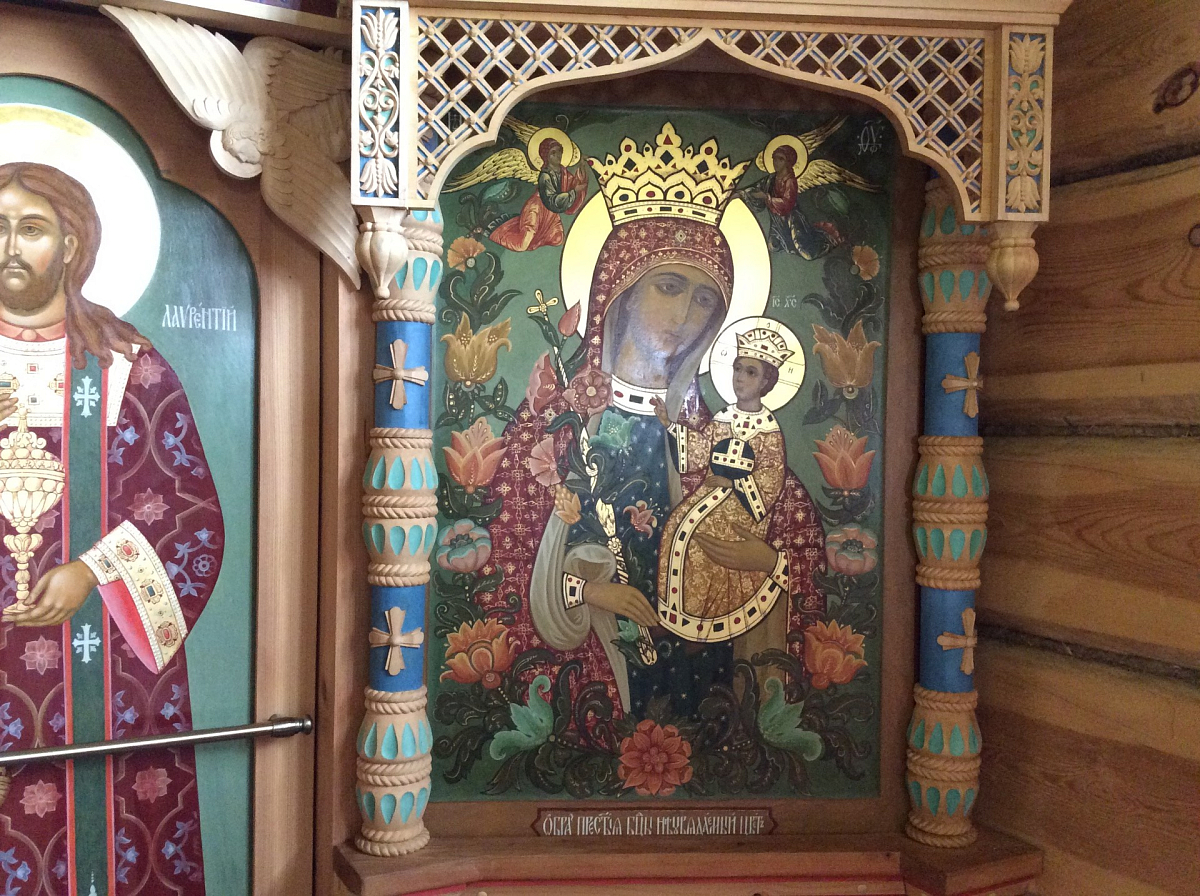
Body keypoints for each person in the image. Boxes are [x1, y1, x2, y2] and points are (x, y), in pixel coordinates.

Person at [483, 212, 824, 719]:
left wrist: (767, 563)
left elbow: (797, 547)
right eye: (669, 287)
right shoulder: (554, 426)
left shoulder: (721, 439)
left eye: (704, 300)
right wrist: (591, 591)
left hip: (704, 671)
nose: (685, 314)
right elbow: (509, 560)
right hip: (601, 672)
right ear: (620, 293)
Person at [0, 162, 222, 894]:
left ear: (71, 244)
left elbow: (189, 513)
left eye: (31, 229)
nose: (10, 246)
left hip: (102, 667)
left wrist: (91, 571)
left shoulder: (127, 364)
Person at [652, 328, 792, 638]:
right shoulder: (723, 418)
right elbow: (700, 449)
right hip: (709, 494)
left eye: (751, 372)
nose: (740, 378)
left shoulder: (769, 431)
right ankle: (674, 615)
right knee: (675, 523)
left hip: (743, 509)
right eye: (737, 369)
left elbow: (771, 481)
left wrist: (735, 485)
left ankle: (703, 622)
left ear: (766, 382)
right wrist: (670, 425)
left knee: (706, 536)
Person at [740, 145, 844, 260]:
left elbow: (787, 204)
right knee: (772, 246)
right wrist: (740, 194)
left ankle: (828, 240)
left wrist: (766, 197)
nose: (776, 162)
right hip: (777, 221)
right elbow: (757, 188)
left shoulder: (790, 181)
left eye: (781, 159)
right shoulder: (771, 179)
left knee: (807, 253)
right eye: (774, 158)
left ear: (788, 162)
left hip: (792, 220)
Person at [489, 139, 588, 252]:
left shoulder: (564, 173)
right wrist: (574, 192)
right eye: (553, 153)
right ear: (546, 157)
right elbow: (551, 200)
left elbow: (574, 184)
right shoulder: (545, 176)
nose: (558, 155)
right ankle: (497, 234)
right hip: (536, 208)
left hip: (550, 213)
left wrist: (582, 167)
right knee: (521, 245)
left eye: (559, 151)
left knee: (558, 239)